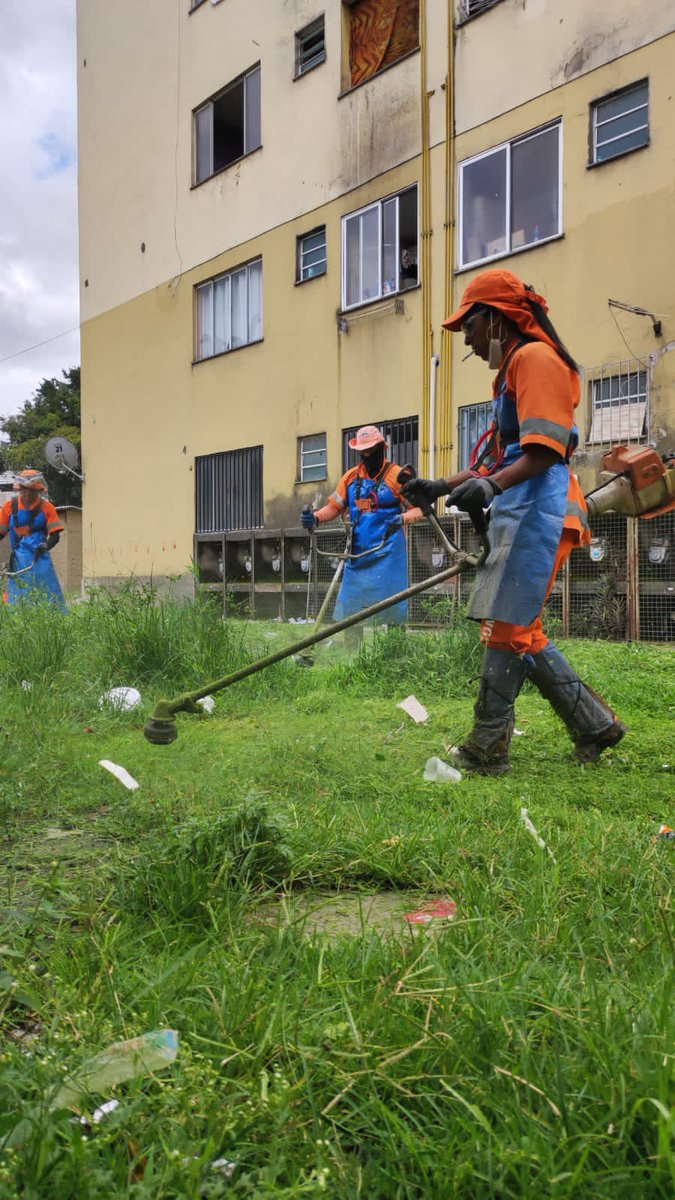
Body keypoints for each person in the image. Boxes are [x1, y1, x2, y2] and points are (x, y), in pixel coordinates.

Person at [403, 269, 625, 774]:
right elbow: (496, 459)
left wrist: (493, 486)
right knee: (522, 627)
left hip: (541, 512)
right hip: (521, 509)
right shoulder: (512, 372)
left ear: (497, 321)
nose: (469, 341)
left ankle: (487, 747)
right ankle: (595, 725)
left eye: (471, 328)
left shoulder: (535, 359)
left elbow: (543, 451)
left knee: (507, 627)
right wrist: (440, 486)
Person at [300, 425, 421, 628]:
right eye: (362, 451)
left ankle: (395, 652)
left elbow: (420, 509)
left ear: (382, 447)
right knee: (351, 609)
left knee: (393, 606)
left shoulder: (398, 476)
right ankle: (352, 656)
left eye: (371, 450)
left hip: (389, 553)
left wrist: (403, 519)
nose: (367, 455)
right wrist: (316, 518)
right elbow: (334, 507)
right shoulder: (350, 478)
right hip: (357, 554)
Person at [0, 470, 67, 610]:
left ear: (37, 490)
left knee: (48, 595)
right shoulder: (10, 507)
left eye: (30, 491)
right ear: (19, 489)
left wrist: (46, 546)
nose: (26, 494)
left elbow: (55, 536)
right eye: (24, 490)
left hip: (40, 559)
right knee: (18, 598)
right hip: (19, 560)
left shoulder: (47, 508)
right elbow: (1, 532)